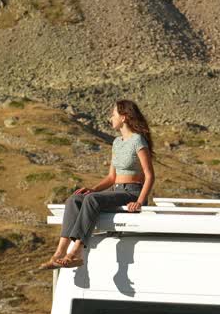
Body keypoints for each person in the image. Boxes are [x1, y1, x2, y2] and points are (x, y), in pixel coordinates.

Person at [39, 99, 155, 270]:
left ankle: (76, 252)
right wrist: (93, 189)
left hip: (133, 193)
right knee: (75, 199)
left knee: (91, 200)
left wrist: (139, 202)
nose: (110, 118)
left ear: (124, 117)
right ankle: (59, 253)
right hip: (116, 191)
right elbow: (111, 178)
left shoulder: (138, 141)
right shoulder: (117, 143)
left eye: (113, 114)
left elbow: (150, 175)